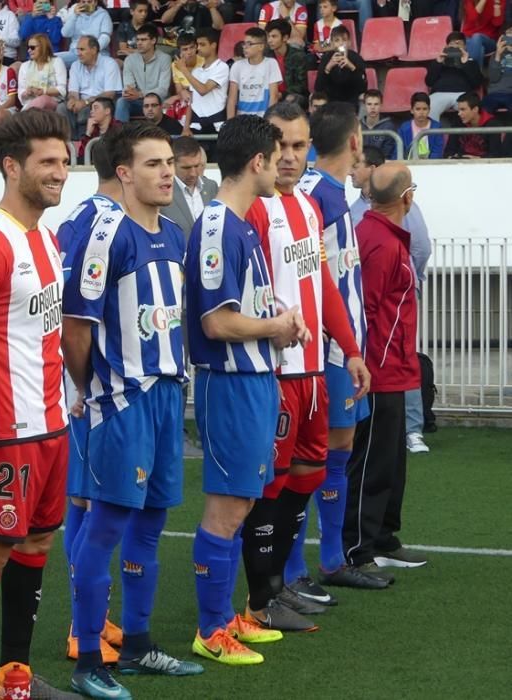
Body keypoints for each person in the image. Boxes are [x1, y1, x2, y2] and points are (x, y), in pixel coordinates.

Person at [63, 122, 205, 700]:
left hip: (169, 396)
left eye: (169, 161)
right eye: (153, 164)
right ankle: (89, 658)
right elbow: (75, 328)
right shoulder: (106, 234)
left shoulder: (173, 233)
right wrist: (93, 387)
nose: (167, 172)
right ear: (124, 172)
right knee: (105, 528)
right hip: (121, 401)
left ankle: (140, 643)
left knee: (149, 527)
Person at [0, 109, 75, 700]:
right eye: (47, 162)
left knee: (37, 543)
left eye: (64, 159)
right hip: (7, 430)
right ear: (10, 166)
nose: (60, 171)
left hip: (52, 425)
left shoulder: (46, 238)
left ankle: (15, 677)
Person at [242, 101, 370, 631]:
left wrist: (352, 349)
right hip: (274, 372)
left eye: (299, 145)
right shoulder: (253, 209)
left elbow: (324, 288)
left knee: (308, 475)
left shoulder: (309, 208)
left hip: (314, 371)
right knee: (269, 485)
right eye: (281, 144)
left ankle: (285, 580)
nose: (289, 156)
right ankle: (262, 595)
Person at [187, 114, 304, 667]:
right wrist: (275, 329)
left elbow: (245, 309)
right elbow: (217, 323)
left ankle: (227, 615)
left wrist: (281, 316)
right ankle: (210, 629)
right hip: (231, 385)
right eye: (277, 154)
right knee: (228, 507)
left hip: (256, 381)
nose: (283, 163)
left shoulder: (242, 225)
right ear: (256, 162)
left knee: (243, 501)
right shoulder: (217, 227)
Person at [289, 103, 391, 594]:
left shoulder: (332, 195)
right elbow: (313, 284)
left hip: (340, 350)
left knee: (335, 452)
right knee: (312, 456)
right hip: (323, 354)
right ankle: (300, 568)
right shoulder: (317, 199)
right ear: (354, 142)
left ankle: (329, 560)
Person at [56, 138, 124, 668]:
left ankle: (93, 617)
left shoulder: (80, 217)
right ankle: (82, 628)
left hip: (87, 381)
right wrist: (79, 384)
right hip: (90, 384)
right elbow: (75, 316)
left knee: (88, 498)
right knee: (84, 500)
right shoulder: (101, 224)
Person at [343, 162, 429, 576]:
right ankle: (360, 546)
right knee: (373, 460)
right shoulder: (381, 242)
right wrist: (372, 366)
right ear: (407, 197)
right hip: (380, 370)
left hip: (393, 366)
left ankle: (384, 537)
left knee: (392, 460)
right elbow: (369, 312)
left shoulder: (382, 236)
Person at [61, 34, 122, 140]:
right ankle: (72, 143)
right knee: (61, 108)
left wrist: (85, 103)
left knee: (87, 111)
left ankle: (83, 143)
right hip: (81, 102)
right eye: (78, 50)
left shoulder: (109, 64)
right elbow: (73, 91)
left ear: (94, 50)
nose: (78, 53)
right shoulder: (75, 65)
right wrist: (72, 100)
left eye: (82, 49)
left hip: (102, 103)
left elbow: (110, 94)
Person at [161, 136, 216, 239]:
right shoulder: (162, 191)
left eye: (197, 166)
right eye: (186, 168)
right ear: (172, 164)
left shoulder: (211, 187)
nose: (193, 173)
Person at [180, 27, 228, 143]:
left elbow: (203, 90)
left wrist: (184, 70)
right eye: (198, 44)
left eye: (202, 44)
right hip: (196, 125)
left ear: (213, 45)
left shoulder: (222, 67)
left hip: (217, 124)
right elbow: (192, 101)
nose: (199, 48)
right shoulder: (196, 71)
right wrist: (186, 127)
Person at [117, 24, 172, 122]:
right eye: (137, 40)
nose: (139, 43)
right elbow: (129, 87)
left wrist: (140, 94)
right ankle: (121, 135)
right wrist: (128, 93)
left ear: (153, 41)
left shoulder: (165, 59)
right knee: (122, 101)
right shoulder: (129, 60)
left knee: (157, 104)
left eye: (143, 40)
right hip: (139, 103)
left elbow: (163, 90)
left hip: (158, 103)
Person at [425, 32, 483, 121]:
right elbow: (429, 82)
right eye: (451, 44)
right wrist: (438, 63)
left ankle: (470, 134)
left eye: (458, 43)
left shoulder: (471, 62)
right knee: (427, 109)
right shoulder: (439, 61)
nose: (455, 47)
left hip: (463, 94)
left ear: (465, 47)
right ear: (447, 47)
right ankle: (431, 134)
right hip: (440, 93)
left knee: (471, 110)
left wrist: (466, 64)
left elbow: (477, 83)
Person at [227, 27, 281, 118]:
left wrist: (269, 121)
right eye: (244, 44)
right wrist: (229, 124)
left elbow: (274, 96)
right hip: (242, 119)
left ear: (261, 47)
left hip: (263, 118)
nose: (245, 47)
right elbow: (232, 99)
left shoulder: (271, 64)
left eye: (250, 44)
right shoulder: (237, 66)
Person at [314, 25, 366, 109]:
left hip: (351, 101)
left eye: (344, 40)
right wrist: (328, 68)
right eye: (337, 40)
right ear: (332, 43)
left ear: (349, 42)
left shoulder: (356, 58)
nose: (341, 43)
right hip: (330, 101)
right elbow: (318, 88)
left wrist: (352, 67)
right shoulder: (326, 58)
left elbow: (363, 88)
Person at [18, 32, 66, 110]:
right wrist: (27, 92)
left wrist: (43, 91)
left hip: (52, 101)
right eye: (28, 48)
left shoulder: (57, 62)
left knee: (42, 100)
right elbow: (21, 90)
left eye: (32, 47)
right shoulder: (25, 66)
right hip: (31, 101)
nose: (29, 50)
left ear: (43, 47)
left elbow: (62, 89)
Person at [58, 0, 113, 67]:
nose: (86, 4)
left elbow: (105, 37)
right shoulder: (75, 14)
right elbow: (65, 33)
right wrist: (74, 16)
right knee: (52, 60)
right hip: (75, 53)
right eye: (83, 2)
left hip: (97, 53)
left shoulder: (104, 15)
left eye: (89, 2)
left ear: (95, 3)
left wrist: (91, 50)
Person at [265, 19, 306, 104]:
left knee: (291, 99)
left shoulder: (298, 56)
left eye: (274, 36)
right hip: (270, 94)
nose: (269, 40)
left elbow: (301, 85)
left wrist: (281, 94)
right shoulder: (266, 55)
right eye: (268, 36)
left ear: (285, 38)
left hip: (291, 95)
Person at [445, 91, 495, 158]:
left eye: (463, 109)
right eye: (459, 110)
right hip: (460, 165)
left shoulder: (492, 124)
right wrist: (452, 157)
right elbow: (449, 151)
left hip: (484, 165)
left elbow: (495, 154)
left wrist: (477, 159)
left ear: (475, 109)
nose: (459, 113)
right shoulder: (457, 122)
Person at [398, 93, 444, 160]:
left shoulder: (436, 127)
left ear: (429, 110)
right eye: (418, 109)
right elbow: (398, 152)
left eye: (424, 109)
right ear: (411, 110)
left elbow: (437, 152)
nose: (421, 112)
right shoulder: (404, 128)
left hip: (431, 166)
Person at [461, 0, 507, 66]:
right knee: (480, 49)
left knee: (477, 37)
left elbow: (497, 23)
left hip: (489, 40)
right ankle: (476, 74)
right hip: (468, 38)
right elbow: (473, 18)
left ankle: (471, 71)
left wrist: (497, 5)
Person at [159, 0, 226, 44]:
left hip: (196, 46)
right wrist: (179, 4)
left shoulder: (204, 10)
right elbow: (164, 20)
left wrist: (212, 7)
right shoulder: (177, 9)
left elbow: (219, 26)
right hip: (176, 44)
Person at [78, 95, 120, 160]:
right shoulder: (93, 129)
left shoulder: (119, 128)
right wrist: (88, 133)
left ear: (107, 111)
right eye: (91, 109)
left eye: (96, 108)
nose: (91, 111)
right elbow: (82, 154)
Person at [360, 89, 397, 159]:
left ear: (381, 105)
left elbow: (387, 154)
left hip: (381, 166)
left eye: (376, 104)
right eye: (369, 104)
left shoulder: (389, 127)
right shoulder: (358, 125)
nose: (372, 108)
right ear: (364, 105)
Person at [483, 28, 512, 113]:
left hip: (510, 93)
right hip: (494, 93)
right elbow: (493, 78)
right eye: (509, 33)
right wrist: (498, 55)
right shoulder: (495, 56)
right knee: (484, 110)